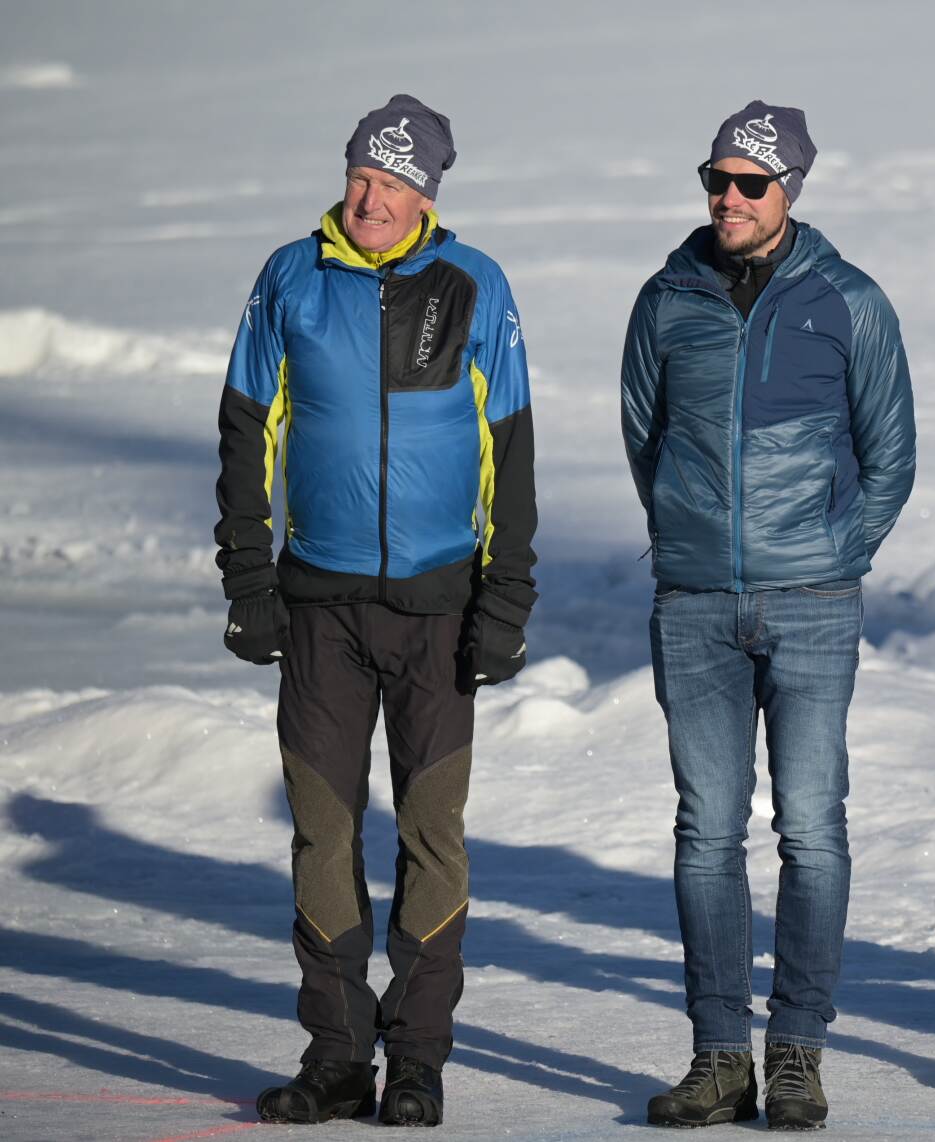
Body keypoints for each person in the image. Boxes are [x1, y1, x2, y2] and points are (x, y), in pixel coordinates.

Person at [215, 94, 537, 1128]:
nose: (370, 198)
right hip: (319, 605)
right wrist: (249, 578)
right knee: (323, 831)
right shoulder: (289, 277)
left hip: (440, 607)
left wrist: (506, 597)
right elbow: (246, 428)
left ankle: (420, 1061)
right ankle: (339, 1055)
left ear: (425, 194)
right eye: (360, 176)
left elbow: (510, 448)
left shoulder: (474, 283)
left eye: (393, 183)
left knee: (433, 835)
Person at [620, 100, 916, 1131]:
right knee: (705, 831)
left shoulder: (849, 300)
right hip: (696, 601)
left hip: (813, 602)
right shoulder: (666, 297)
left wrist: (835, 550)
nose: (730, 198)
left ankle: (795, 1054)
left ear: (789, 189)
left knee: (812, 830)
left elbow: (890, 454)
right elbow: (644, 435)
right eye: (718, 179)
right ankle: (718, 1057)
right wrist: (688, 533)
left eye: (751, 183)